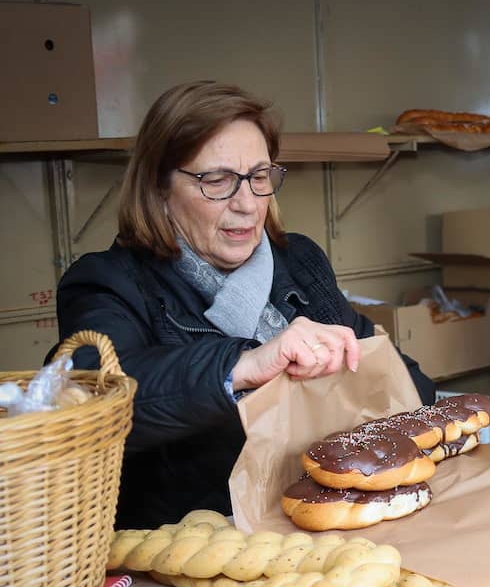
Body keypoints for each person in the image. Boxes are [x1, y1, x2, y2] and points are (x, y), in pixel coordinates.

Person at [53, 81, 436, 530]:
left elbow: (408, 387)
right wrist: (239, 366)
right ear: (157, 186)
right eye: (216, 180)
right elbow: (95, 402)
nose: (247, 204)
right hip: (193, 554)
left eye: (258, 177)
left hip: (325, 533)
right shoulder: (107, 282)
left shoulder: (300, 262)